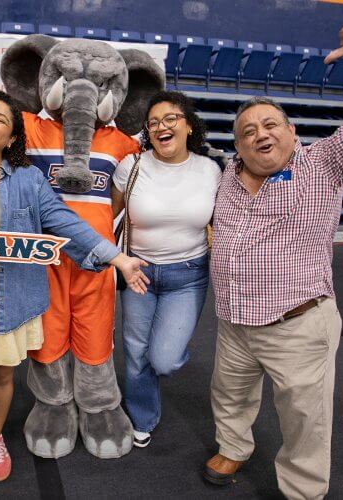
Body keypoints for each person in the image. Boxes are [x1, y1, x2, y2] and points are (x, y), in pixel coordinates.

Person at [203, 10, 343, 499]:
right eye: (247, 131)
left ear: (292, 132)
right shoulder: (226, 173)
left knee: (304, 419)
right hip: (233, 319)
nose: (259, 135)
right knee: (229, 395)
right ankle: (234, 447)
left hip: (296, 324)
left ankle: (303, 491)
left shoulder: (322, 164)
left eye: (270, 124)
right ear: (238, 146)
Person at [0, 90, 149, 488]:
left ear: (10, 138)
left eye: (2, 119)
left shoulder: (26, 178)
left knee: (3, 379)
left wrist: (116, 257)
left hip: (8, 296)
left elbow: (64, 222)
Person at [111, 91, 222, 448]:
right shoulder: (132, 167)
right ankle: (142, 416)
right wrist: (118, 262)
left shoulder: (210, 170)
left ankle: (166, 352)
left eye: (171, 118)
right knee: (135, 352)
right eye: (154, 122)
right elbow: (107, 218)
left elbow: (223, 222)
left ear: (189, 125)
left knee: (164, 359)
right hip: (138, 272)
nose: (162, 126)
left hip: (188, 275)